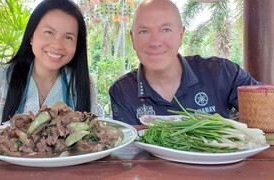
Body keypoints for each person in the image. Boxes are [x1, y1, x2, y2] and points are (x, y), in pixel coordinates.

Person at [109, 0, 262, 125]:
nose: (155, 42)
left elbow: (267, 109)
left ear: (181, 35)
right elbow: (128, 153)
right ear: (132, 39)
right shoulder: (123, 91)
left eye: (166, 30)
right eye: (144, 31)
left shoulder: (222, 72)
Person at [0, 0, 96, 127]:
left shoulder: (83, 84)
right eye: (49, 32)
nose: (57, 45)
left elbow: (92, 140)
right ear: (31, 36)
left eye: (68, 37)